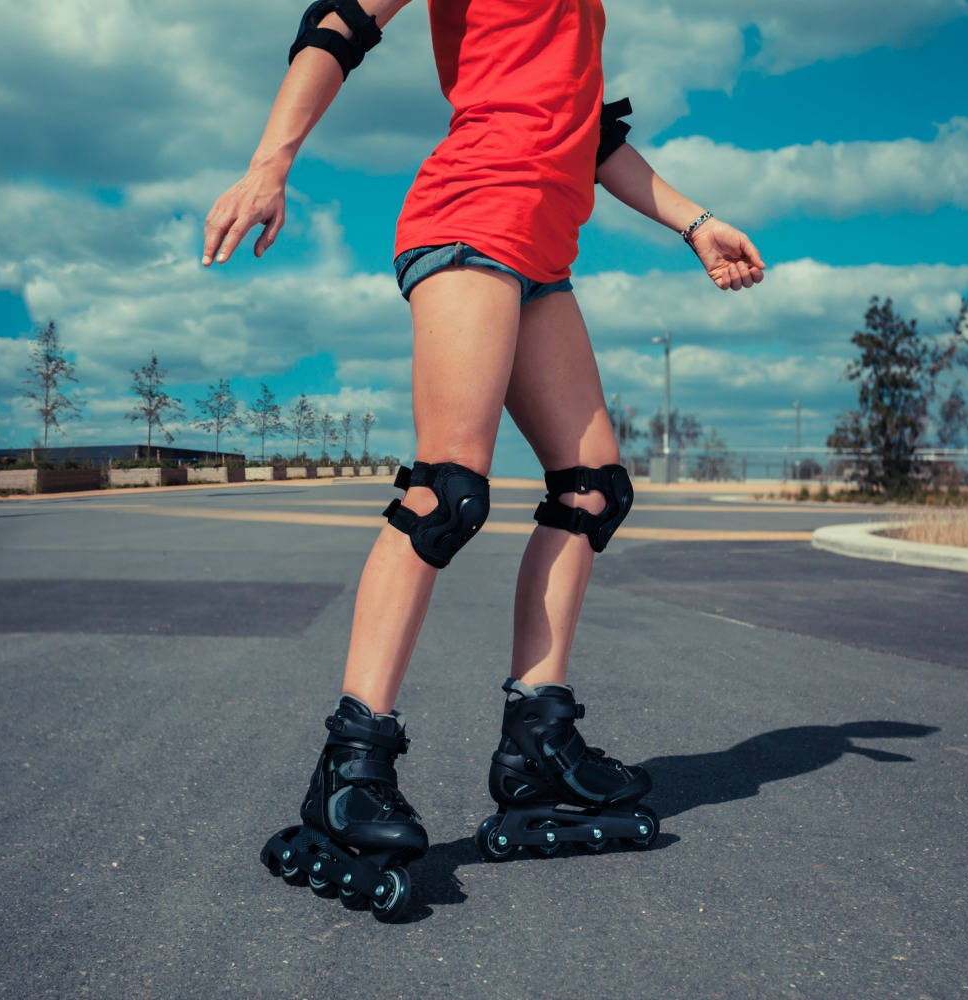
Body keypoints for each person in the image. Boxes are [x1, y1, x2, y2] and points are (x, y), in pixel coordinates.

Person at [203, 0, 765, 921]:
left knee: (592, 491)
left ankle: (537, 743)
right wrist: (271, 163)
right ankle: (352, 768)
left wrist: (696, 222)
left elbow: (590, 134)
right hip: (470, 214)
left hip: (542, 250)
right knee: (447, 494)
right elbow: (341, 20)